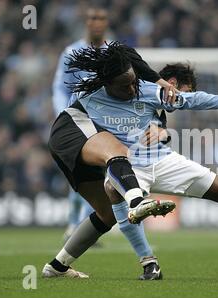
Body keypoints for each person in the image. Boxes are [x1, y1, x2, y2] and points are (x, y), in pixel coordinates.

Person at [42, 43, 218, 279]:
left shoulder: (148, 90)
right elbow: (84, 129)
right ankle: (149, 262)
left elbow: (189, 100)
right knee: (113, 191)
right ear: (108, 85)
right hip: (127, 165)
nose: (132, 89)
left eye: (134, 82)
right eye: (124, 86)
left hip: (163, 162)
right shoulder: (88, 101)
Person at [52, 5, 176, 242]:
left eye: (101, 18)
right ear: (86, 22)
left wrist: (160, 94)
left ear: (106, 23)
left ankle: (114, 213)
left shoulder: (115, 51)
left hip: (112, 120)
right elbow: (60, 86)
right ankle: (77, 222)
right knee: (91, 167)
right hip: (82, 119)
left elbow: (137, 78)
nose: (96, 22)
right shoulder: (71, 52)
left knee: (114, 165)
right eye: (92, 18)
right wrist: (64, 113)